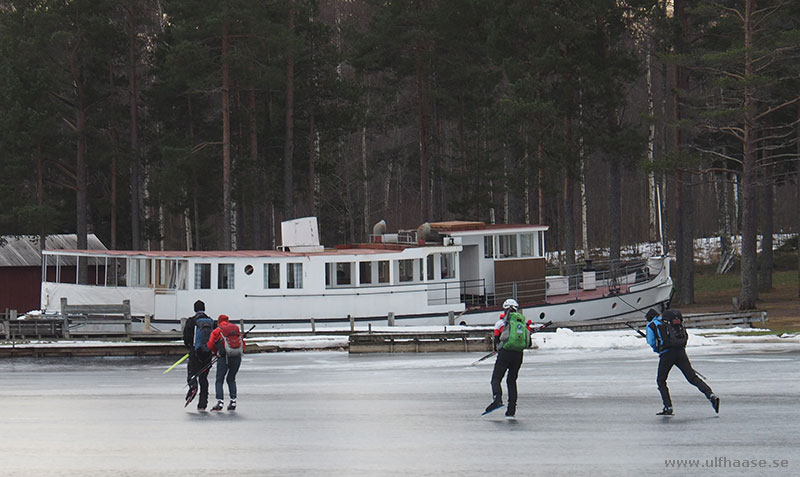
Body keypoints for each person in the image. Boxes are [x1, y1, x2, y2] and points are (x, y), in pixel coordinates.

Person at [645, 308, 720, 416]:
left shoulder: (651, 325)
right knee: (692, 378)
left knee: (661, 380)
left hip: (666, 354)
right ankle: (711, 395)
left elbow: (651, 342)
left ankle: (668, 407)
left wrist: (659, 349)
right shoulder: (668, 321)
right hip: (680, 352)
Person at [485, 299, 532, 418]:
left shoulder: (500, 323)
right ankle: (511, 410)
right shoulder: (522, 324)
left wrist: (497, 348)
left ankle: (497, 399)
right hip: (518, 355)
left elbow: (496, 342)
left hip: (505, 353)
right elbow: (529, 343)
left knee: (496, 379)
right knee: (511, 381)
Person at [207, 314, 246, 411]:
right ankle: (233, 401)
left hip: (224, 358)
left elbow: (210, 344)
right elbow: (243, 344)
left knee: (219, 379)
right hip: (237, 356)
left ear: (219, 321)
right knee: (231, 378)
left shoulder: (217, 330)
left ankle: (220, 402)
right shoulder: (235, 329)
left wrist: (215, 352)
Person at [182, 300, 215, 411]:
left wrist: (189, 347)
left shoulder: (192, 321)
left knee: (191, 373)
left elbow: (186, 337)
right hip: (208, 353)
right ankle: (202, 404)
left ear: (195, 309)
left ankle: (193, 387)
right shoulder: (211, 321)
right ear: (204, 308)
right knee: (204, 378)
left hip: (195, 352)